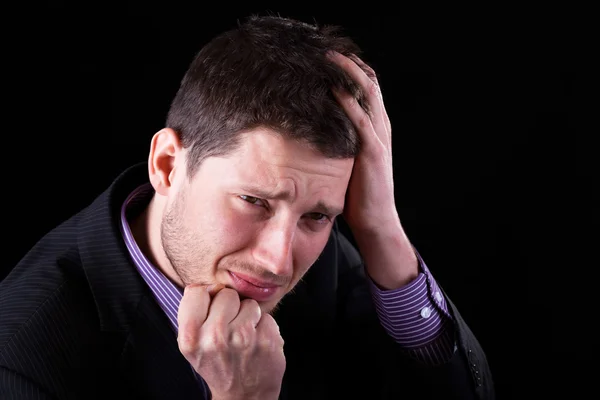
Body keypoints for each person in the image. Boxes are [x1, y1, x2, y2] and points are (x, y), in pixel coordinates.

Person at [0, 15, 494, 400]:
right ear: (168, 165)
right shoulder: (19, 357)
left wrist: (381, 227)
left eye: (318, 216)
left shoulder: (315, 249)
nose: (278, 261)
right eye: (254, 202)